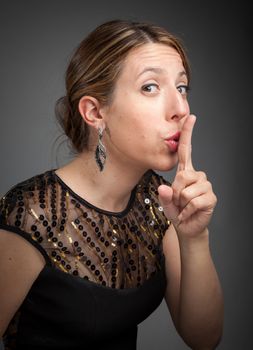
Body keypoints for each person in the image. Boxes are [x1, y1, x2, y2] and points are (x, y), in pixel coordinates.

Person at [0, 19, 223, 350]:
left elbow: (204, 340)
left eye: (181, 87)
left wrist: (194, 238)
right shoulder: (32, 213)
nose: (179, 109)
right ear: (94, 112)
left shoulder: (158, 203)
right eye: (150, 87)